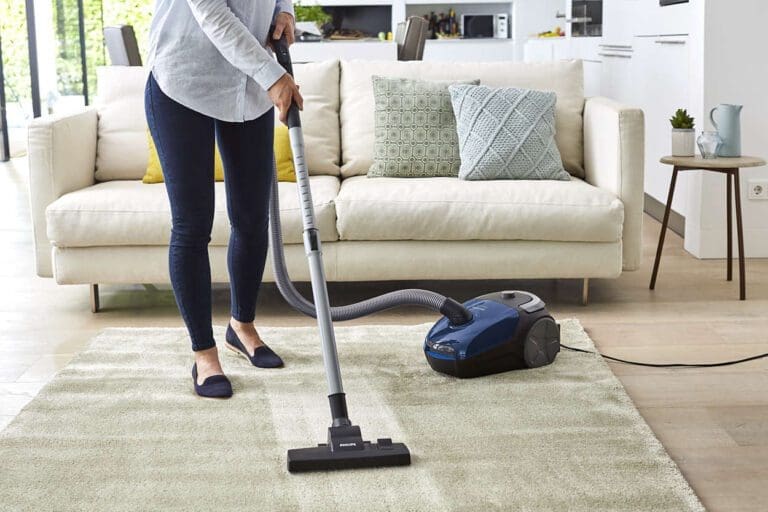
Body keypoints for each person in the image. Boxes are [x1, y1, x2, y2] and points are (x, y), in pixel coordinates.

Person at [145, 0, 303, 398]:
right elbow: (212, 12)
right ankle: (204, 354)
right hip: (185, 77)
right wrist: (274, 75)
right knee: (193, 223)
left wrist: (285, 11)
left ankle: (241, 327)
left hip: (247, 86)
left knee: (251, 217)